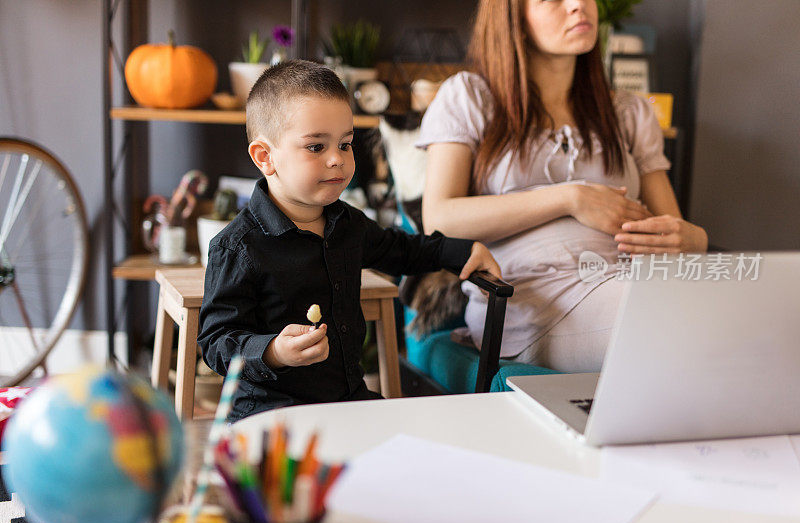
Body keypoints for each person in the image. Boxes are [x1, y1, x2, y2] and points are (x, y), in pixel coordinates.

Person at [197, 60, 500, 421]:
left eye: (345, 144)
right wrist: (273, 350)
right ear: (266, 157)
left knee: (415, 444)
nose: (336, 160)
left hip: (347, 400)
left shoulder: (347, 223)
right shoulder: (238, 247)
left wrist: (461, 249)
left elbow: (401, 250)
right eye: (315, 148)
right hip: (270, 411)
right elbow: (216, 343)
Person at [416, 0, 708, 373]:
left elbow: (675, 231)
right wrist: (570, 197)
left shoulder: (629, 113)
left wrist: (695, 239)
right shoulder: (470, 97)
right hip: (531, 300)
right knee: (672, 325)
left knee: (748, 316)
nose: (577, 5)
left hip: (632, 280)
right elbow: (439, 220)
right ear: (513, 17)